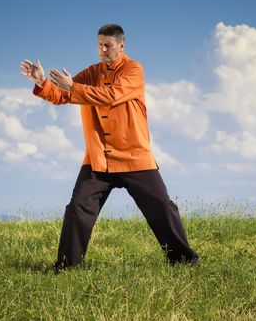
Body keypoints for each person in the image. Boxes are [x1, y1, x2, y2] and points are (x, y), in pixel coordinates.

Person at [20, 23, 199, 271]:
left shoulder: (134, 70)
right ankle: (67, 267)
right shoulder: (92, 73)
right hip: (98, 158)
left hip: (134, 156)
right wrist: (42, 83)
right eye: (99, 45)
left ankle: (184, 261)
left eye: (108, 45)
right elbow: (62, 95)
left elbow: (111, 96)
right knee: (78, 209)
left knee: (161, 207)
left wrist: (74, 87)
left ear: (121, 45)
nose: (102, 50)